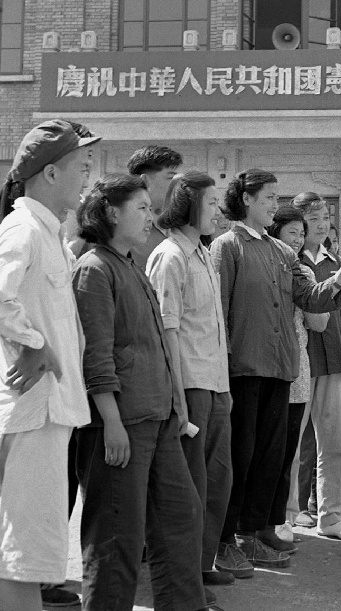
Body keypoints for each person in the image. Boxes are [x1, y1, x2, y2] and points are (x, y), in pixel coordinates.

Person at [211, 171, 341, 569]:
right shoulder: (228, 246)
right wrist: (221, 372)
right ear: (246, 199)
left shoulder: (282, 253)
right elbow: (219, 314)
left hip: (281, 368)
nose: (275, 203)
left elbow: (312, 299)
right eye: (269, 197)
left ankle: (258, 531)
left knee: (270, 457)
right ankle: (228, 539)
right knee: (241, 456)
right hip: (242, 369)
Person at [72, 173, 207, 611]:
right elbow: (96, 354)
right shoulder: (94, 268)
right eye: (142, 208)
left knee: (181, 520)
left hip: (158, 420)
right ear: (112, 212)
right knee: (117, 540)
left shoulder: (130, 263)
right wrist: (111, 422)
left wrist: (175, 406)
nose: (151, 216)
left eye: (151, 208)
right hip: (120, 426)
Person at [0, 120, 97, 610]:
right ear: (52, 173)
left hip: (47, 408)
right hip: (33, 409)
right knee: (25, 548)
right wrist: (33, 343)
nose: (87, 177)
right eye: (82, 166)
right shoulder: (24, 230)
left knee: (27, 548)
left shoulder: (48, 233)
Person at [146, 172, 249, 586]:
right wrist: (178, 397)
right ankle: (183, 575)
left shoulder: (203, 254)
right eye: (210, 203)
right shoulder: (170, 256)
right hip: (189, 385)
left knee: (217, 480)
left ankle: (203, 565)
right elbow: (166, 330)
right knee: (189, 487)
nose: (218, 212)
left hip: (215, 385)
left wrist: (224, 389)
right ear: (188, 205)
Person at [292, 191, 341, 542]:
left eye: (326, 218)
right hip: (301, 363)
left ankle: (332, 517)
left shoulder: (337, 261)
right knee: (294, 445)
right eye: (314, 219)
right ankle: (287, 516)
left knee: (334, 445)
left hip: (335, 361)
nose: (322, 225)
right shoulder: (290, 260)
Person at [266, 206, 329, 545]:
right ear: (274, 232)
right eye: (292, 232)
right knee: (271, 448)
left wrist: (313, 288)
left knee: (290, 447)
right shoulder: (264, 266)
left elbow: (319, 322)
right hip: (267, 368)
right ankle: (268, 520)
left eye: (301, 234)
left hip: (298, 369)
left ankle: (285, 518)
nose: (298, 239)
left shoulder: (303, 272)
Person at [126, 145, 183, 270]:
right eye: (171, 178)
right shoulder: (122, 226)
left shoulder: (183, 222)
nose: (179, 185)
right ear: (145, 181)